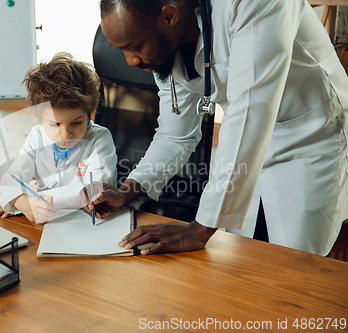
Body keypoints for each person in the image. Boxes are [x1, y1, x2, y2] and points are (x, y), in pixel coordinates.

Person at [89, 0, 348, 256]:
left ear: (169, 16)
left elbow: (248, 113)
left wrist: (199, 230)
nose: (130, 61)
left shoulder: (253, 4)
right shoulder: (169, 42)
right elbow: (175, 134)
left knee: (294, 267)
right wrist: (127, 190)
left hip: (310, 138)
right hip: (242, 149)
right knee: (242, 262)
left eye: (134, 47)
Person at [0, 52, 117, 224]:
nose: (65, 134)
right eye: (55, 124)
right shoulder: (37, 136)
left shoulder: (99, 138)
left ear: (89, 114)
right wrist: (22, 203)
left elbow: (94, 190)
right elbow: (12, 177)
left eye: (77, 122)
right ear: (40, 118)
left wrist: (31, 201)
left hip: (86, 221)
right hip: (49, 224)